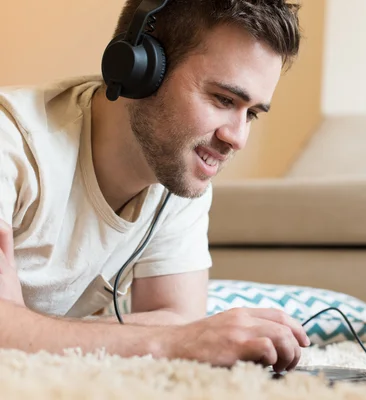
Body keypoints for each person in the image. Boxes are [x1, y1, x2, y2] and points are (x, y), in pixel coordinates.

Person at [0, 0, 310, 374]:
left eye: (252, 113)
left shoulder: (178, 172)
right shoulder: (12, 143)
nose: (237, 137)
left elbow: (180, 318)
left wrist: (23, 327)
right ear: (139, 69)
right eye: (224, 99)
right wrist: (166, 341)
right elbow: (180, 335)